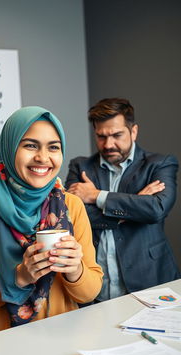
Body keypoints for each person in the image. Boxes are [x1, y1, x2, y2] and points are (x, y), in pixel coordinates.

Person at [0, 106, 103, 340]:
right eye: (30, 145)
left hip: (62, 337)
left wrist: (76, 270)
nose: (43, 157)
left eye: (53, 147)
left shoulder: (72, 206)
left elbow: (90, 291)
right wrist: (18, 277)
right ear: (9, 148)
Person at [65, 97, 180, 302]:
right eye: (101, 136)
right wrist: (135, 205)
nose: (108, 144)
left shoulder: (160, 164)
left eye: (117, 135)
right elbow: (71, 216)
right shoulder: (80, 167)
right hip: (94, 288)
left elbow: (156, 209)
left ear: (133, 131)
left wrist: (95, 195)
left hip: (150, 282)